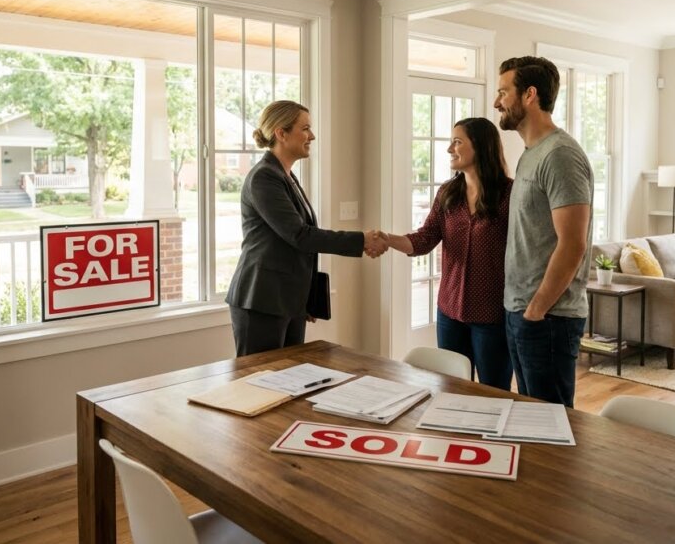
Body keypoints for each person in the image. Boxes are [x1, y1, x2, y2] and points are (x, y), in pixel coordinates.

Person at [225, 100, 386, 356]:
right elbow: (300, 235)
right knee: (259, 384)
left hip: (288, 300)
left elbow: (296, 245)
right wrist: (362, 240)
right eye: (305, 128)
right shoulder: (264, 177)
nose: (312, 136)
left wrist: (306, 299)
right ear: (281, 133)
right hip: (261, 299)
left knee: (291, 380)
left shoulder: (285, 175)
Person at [380, 117, 514, 390]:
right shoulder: (447, 193)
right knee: (450, 389)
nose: (449, 149)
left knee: (493, 392)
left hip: (493, 315)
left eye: (457, 141)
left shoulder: (510, 194)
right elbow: (424, 239)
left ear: (481, 146)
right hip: (450, 313)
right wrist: (387, 239)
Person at [495, 56, 593, 408]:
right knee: (530, 420)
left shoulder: (560, 155)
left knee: (551, 427)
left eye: (503, 92)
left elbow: (572, 244)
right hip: (522, 312)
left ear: (529, 95)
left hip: (548, 318)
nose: (497, 102)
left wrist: (536, 310)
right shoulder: (532, 153)